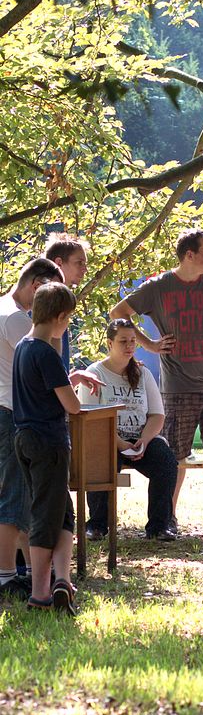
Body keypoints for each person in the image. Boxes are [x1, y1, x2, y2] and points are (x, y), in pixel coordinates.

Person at [109, 229, 203, 535]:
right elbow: (118, 313)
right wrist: (150, 344)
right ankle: (167, 519)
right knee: (176, 455)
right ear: (189, 255)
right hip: (178, 386)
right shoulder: (159, 287)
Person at [13, 282, 102, 614]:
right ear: (61, 317)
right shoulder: (46, 352)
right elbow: (72, 406)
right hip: (48, 443)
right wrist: (74, 391)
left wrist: (70, 377)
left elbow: (42, 386)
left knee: (63, 513)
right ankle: (40, 594)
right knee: (44, 517)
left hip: (25, 437)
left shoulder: (24, 346)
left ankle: (62, 580)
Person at [80, 319, 178, 543]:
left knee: (166, 462)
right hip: (106, 440)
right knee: (99, 461)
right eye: (123, 341)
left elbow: (156, 414)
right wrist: (120, 444)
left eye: (133, 341)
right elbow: (91, 420)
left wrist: (144, 440)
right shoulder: (94, 373)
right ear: (109, 343)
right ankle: (97, 524)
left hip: (140, 439)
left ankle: (160, 525)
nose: (129, 346)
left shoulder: (143, 374)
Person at [0, 258, 64, 602]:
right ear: (37, 287)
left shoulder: (5, 309)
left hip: (12, 411)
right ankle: (7, 575)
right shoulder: (14, 319)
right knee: (13, 496)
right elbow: (41, 360)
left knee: (23, 494)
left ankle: (23, 570)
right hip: (13, 412)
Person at [43, 234, 89, 370]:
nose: (85, 269)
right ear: (59, 263)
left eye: (85, 264)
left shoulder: (60, 299)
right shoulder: (44, 299)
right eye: (79, 262)